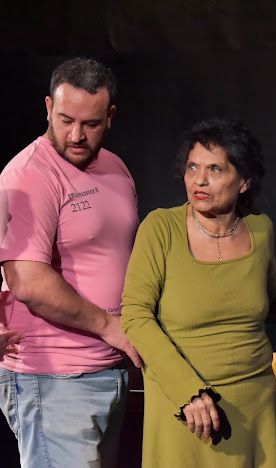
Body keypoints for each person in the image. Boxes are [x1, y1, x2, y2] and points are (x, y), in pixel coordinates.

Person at [121, 118, 276, 468]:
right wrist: (188, 392)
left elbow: (272, 298)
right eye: (192, 167)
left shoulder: (260, 229)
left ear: (245, 180)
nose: (199, 180)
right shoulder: (161, 228)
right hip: (186, 406)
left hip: (253, 402)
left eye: (215, 169)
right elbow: (135, 315)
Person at [0, 57, 141, 468]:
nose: (76, 135)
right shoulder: (29, 174)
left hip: (108, 369)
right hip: (53, 378)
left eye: (91, 124)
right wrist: (110, 326)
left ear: (110, 116)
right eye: (65, 120)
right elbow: (27, 280)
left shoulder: (115, 167)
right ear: (48, 107)